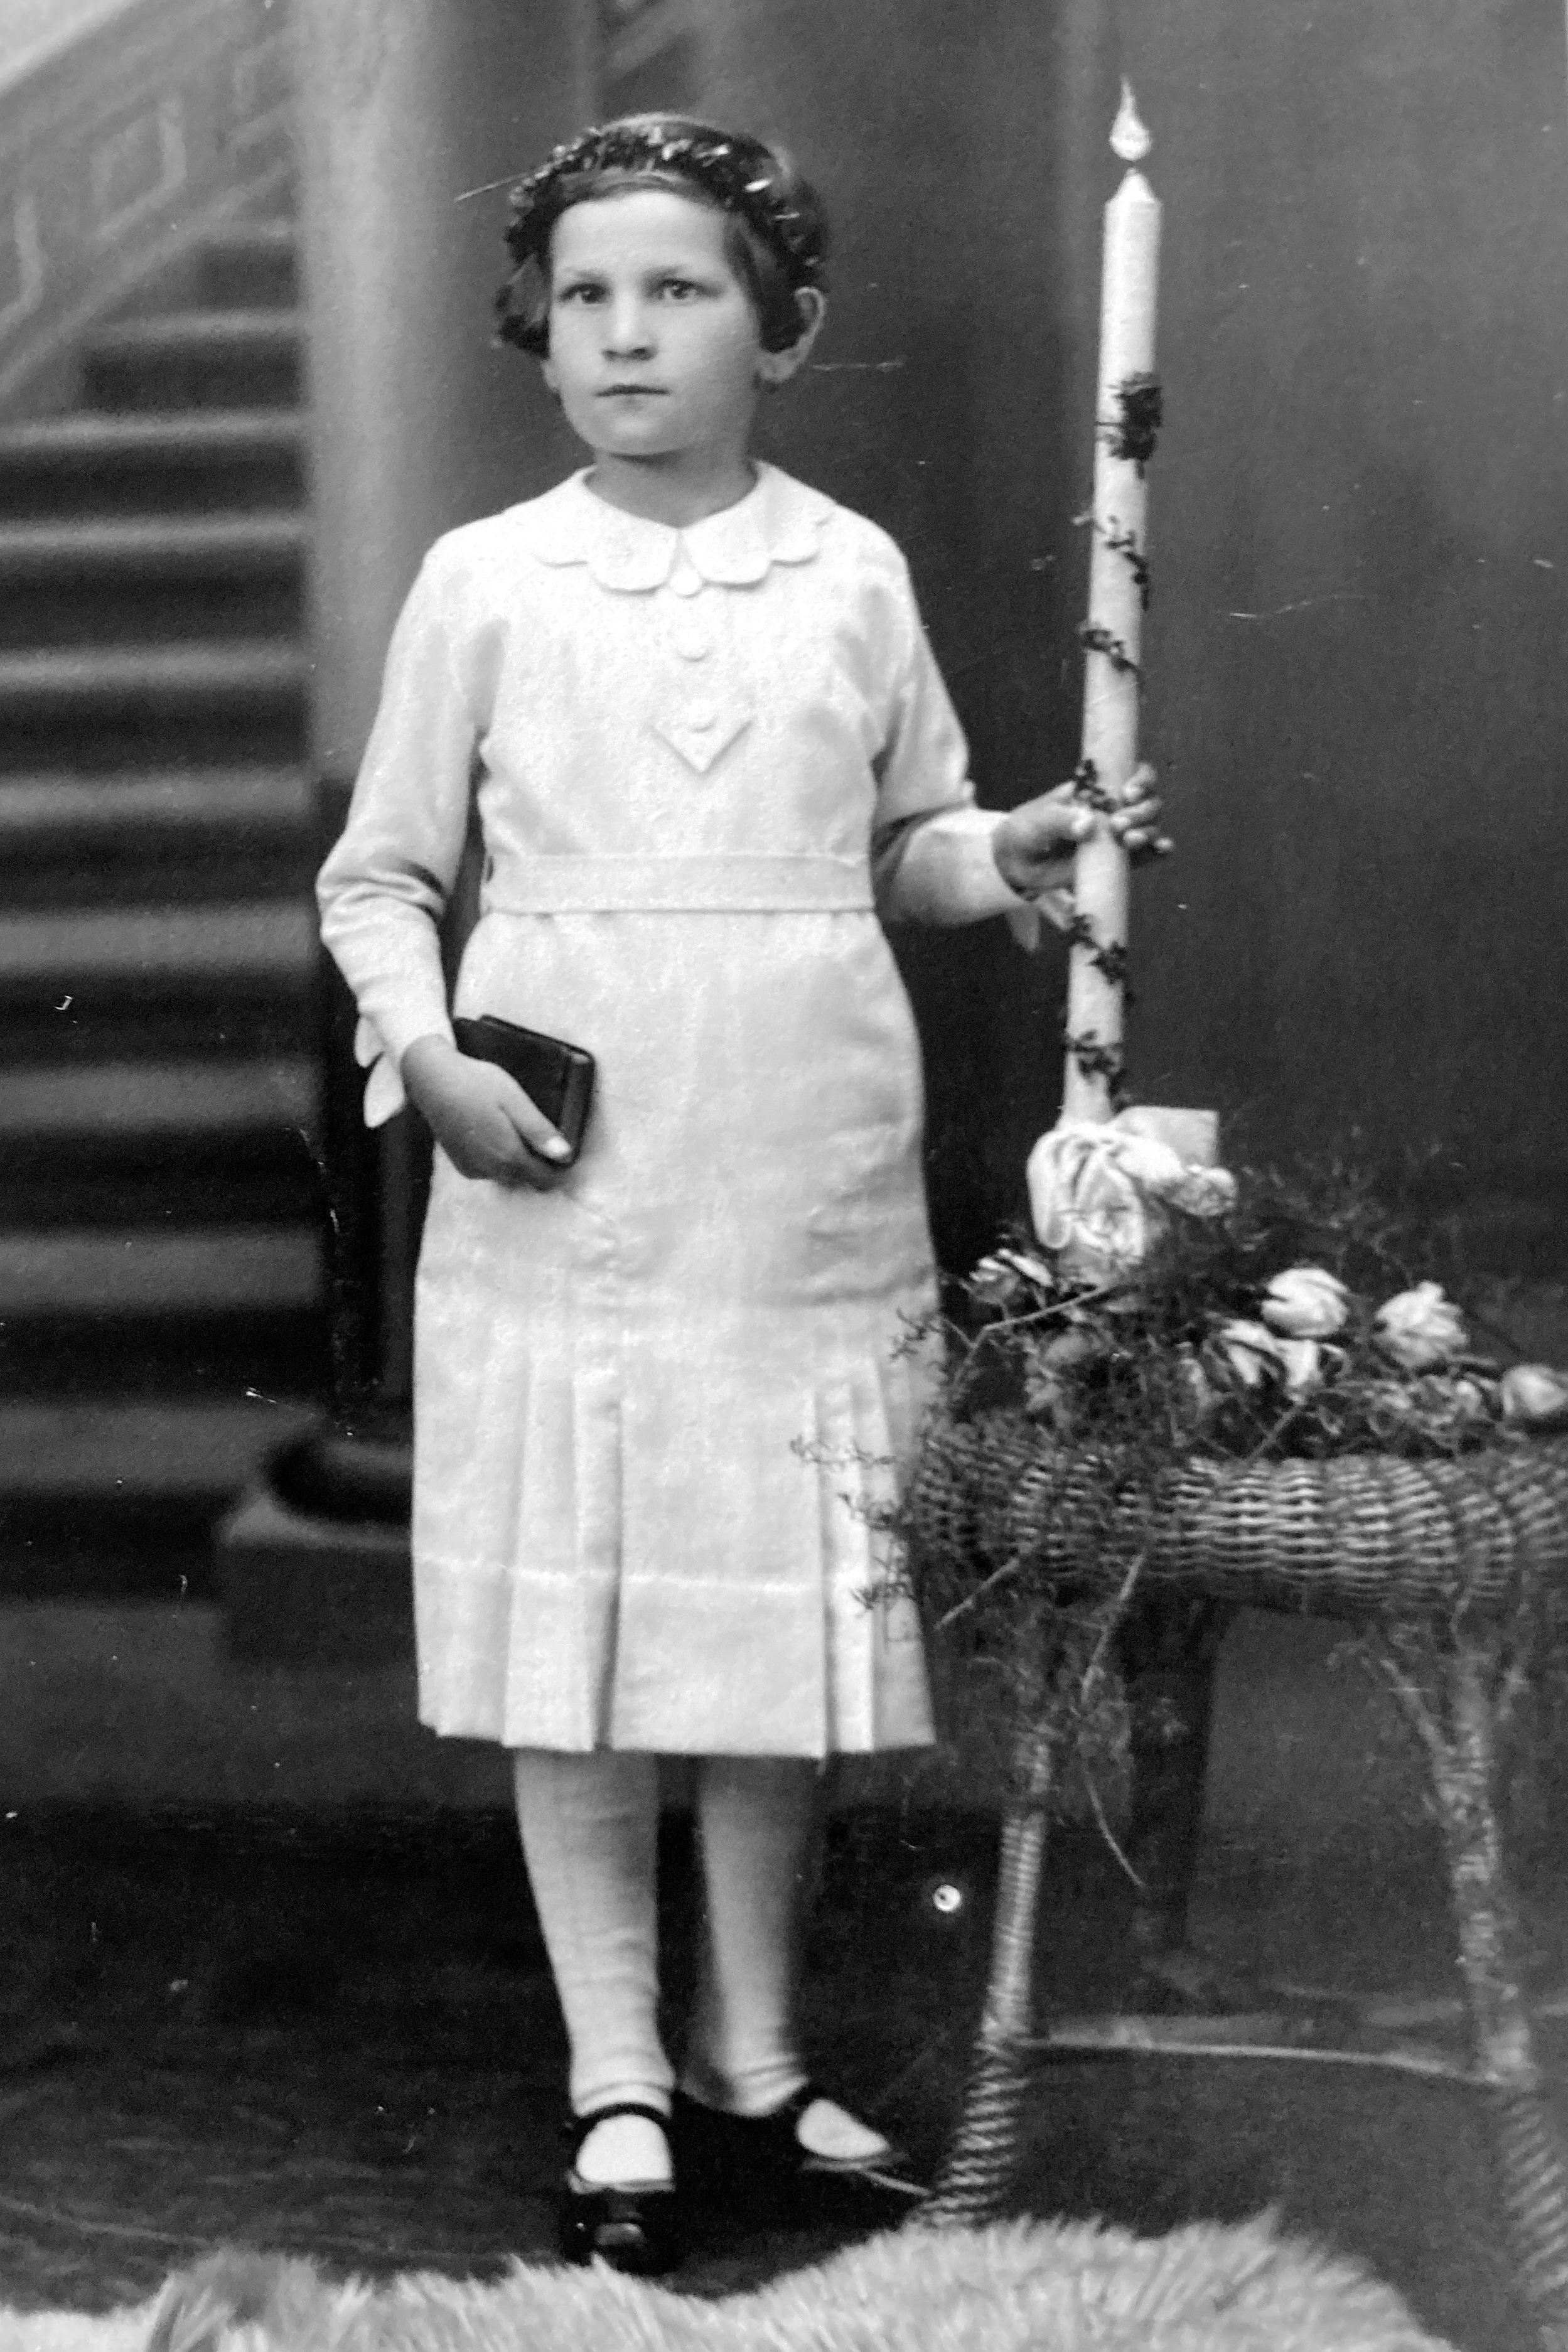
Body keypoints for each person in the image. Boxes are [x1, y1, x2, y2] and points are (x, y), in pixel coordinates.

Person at [316, 113, 1166, 2277]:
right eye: (586, 297)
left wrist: (1012, 851)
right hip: (572, 1173)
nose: (626, 333)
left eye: (678, 291)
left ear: (778, 330)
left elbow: (904, 846)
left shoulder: (847, 571)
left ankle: (752, 2053)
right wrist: (428, 1057)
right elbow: (382, 876)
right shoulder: (486, 581)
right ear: (537, 333)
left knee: (773, 1615)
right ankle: (616, 2066)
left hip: (797, 1168)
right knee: (587, 1623)